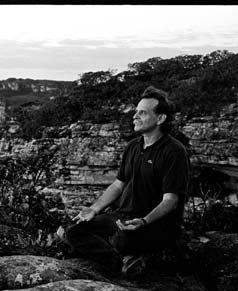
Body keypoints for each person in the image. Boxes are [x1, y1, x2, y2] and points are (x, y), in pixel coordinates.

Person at [61, 86, 190, 278]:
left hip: (154, 223)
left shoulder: (174, 151)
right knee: (72, 231)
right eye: (136, 112)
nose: (135, 116)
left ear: (160, 118)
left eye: (142, 113)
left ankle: (134, 255)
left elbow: (170, 200)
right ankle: (120, 261)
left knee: (121, 238)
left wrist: (145, 221)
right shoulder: (133, 146)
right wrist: (94, 210)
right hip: (123, 216)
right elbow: (118, 184)